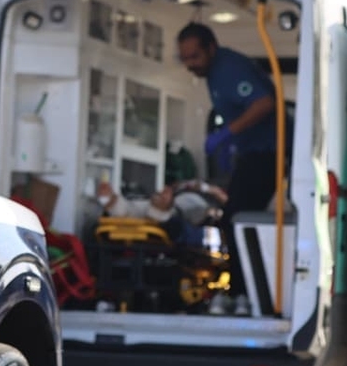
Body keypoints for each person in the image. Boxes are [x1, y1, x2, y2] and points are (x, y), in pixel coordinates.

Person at [177, 22, 289, 315]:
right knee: (232, 219)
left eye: (194, 57)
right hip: (253, 153)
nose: (190, 65)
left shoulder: (228, 68)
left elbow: (264, 103)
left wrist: (228, 133)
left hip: (268, 153)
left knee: (235, 219)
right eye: (185, 59)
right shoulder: (214, 73)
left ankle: (243, 293)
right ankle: (240, 290)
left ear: (211, 48)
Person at [97, 178, 227, 250]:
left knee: (177, 227)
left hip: (182, 224)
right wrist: (110, 200)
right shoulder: (188, 192)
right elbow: (128, 210)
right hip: (171, 215)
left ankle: (160, 210)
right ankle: (110, 200)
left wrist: (214, 192)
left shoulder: (202, 206)